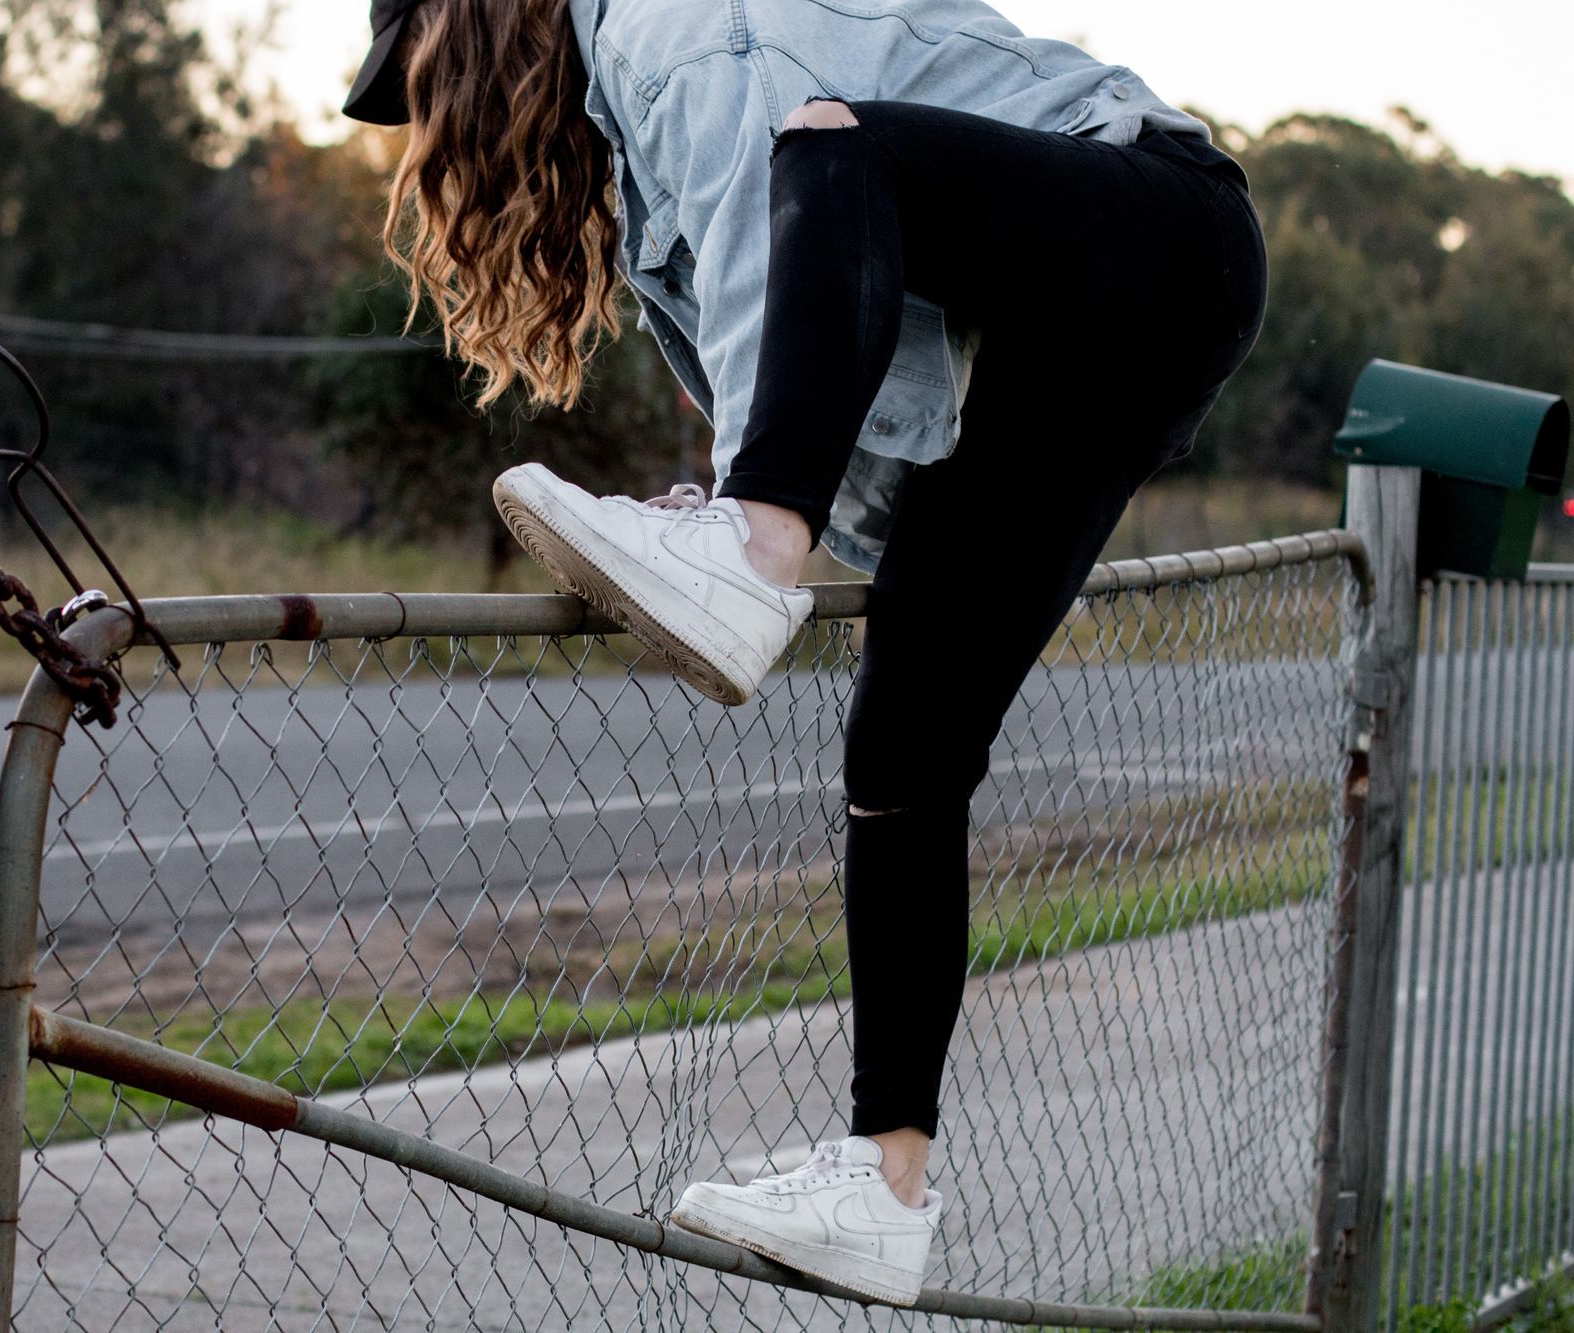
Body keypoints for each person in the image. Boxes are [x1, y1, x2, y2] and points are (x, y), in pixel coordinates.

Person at [342, 0, 1267, 1306]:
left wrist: (756, 520)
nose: (441, 113)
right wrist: (800, 506)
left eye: (432, 67)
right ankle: (884, 1190)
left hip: (1155, 225)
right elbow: (830, 317)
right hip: (1074, 336)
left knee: (833, 144)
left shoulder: (670, 20)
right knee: (905, 745)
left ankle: (750, 547)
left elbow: (783, 208)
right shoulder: (631, 102)